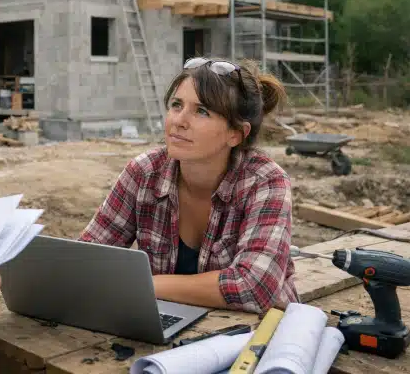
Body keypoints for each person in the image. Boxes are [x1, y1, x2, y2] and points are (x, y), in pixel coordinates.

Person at [79, 57, 299, 314]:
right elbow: (88, 258)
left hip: (254, 333)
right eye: (176, 105)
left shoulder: (265, 182)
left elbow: (253, 287)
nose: (179, 121)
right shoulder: (144, 173)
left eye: (202, 111)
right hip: (166, 322)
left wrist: (143, 285)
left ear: (236, 134)